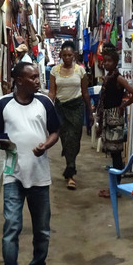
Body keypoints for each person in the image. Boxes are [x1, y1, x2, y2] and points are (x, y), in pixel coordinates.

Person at [0, 61, 60, 265]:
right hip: (13, 175)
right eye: (33, 78)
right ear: (19, 81)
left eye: (38, 77)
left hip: (39, 176)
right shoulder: (4, 104)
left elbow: (54, 132)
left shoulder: (45, 103)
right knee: (11, 228)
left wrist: (45, 145)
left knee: (42, 230)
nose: (38, 81)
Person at [48, 40, 93, 190]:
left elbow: (85, 92)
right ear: (61, 55)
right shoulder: (54, 70)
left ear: (74, 55)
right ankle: (70, 172)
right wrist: (47, 107)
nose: (67, 58)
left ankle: (70, 167)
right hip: (60, 108)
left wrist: (90, 112)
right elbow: (52, 92)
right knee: (65, 138)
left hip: (77, 108)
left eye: (70, 55)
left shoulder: (80, 71)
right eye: (64, 55)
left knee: (74, 138)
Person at [98, 44, 133, 171]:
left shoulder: (118, 78)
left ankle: (116, 184)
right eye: (104, 61)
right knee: (112, 152)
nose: (106, 63)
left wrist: (123, 106)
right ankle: (114, 184)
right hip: (108, 116)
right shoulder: (108, 77)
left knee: (116, 152)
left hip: (115, 117)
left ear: (115, 62)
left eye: (109, 61)